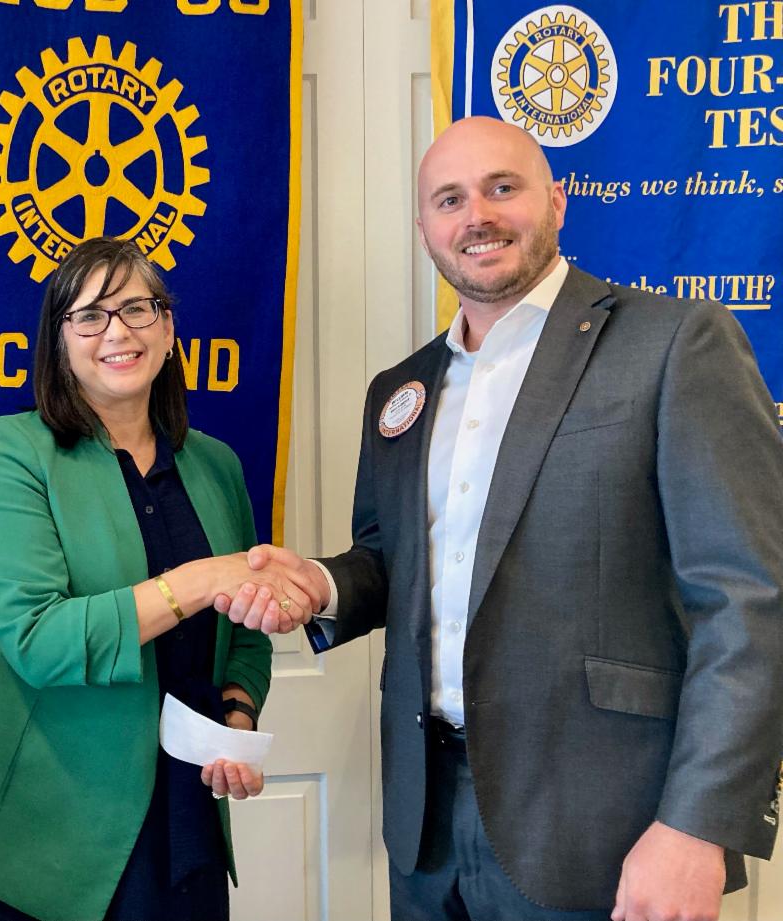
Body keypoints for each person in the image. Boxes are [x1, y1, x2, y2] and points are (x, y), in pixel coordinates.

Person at [218, 116, 783, 921]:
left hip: (605, 825)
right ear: (425, 228)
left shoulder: (674, 343)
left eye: (502, 187)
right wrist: (320, 582)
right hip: (425, 824)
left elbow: (750, 598)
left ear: (556, 201)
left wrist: (697, 825)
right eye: (449, 199)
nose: (476, 215)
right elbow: (390, 559)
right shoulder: (400, 390)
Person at [0, 237, 319, 921]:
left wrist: (237, 714)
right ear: (59, 341)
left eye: (137, 309)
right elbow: (37, 640)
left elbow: (243, 634)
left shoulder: (217, 464)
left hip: (184, 810)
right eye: (89, 316)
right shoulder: (14, 449)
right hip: (48, 826)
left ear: (168, 330)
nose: (117, 331)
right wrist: (198, 579)